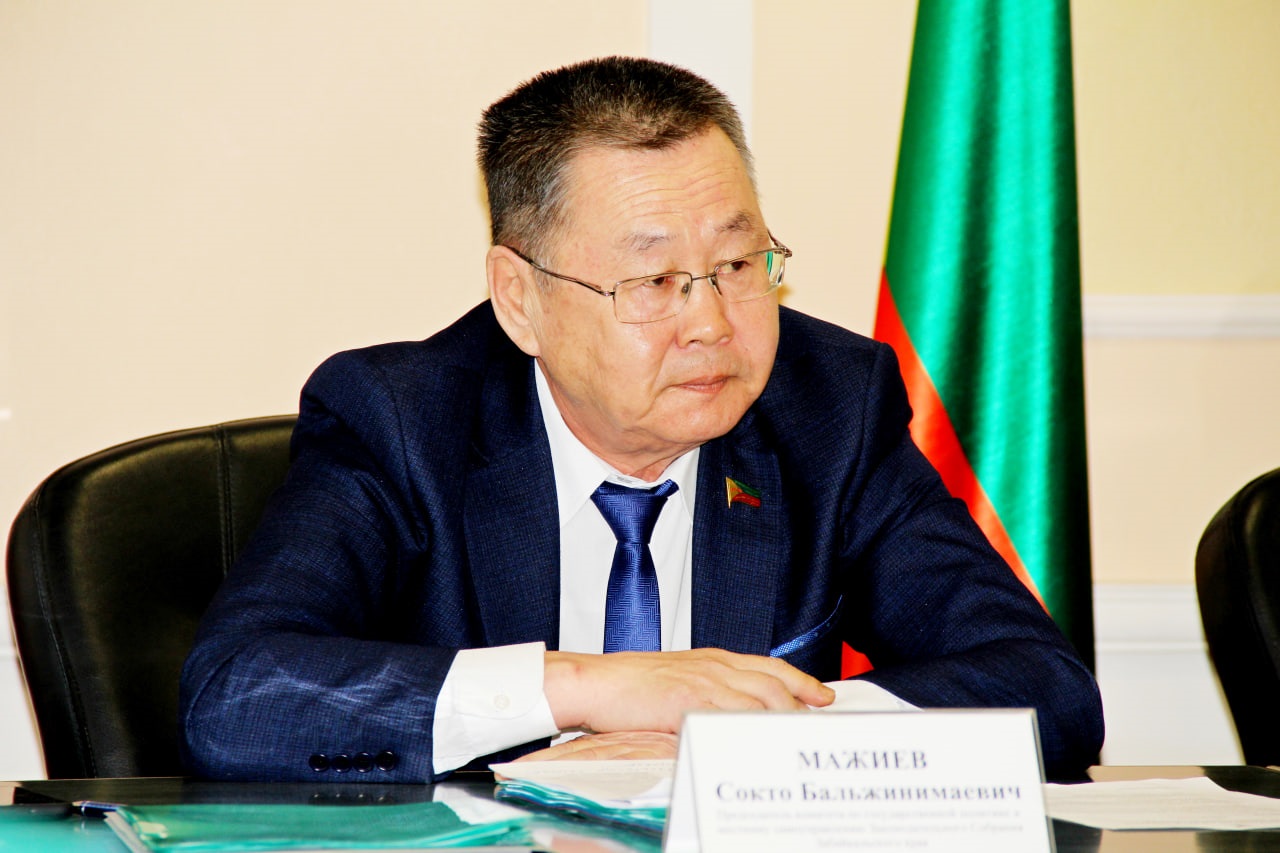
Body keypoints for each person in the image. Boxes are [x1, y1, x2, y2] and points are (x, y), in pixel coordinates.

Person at [179, 56, 1104, 783]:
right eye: (654, 281)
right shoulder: (403, 421)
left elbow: (1046, 687)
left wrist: (751, 732)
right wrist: (592, 687)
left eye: (738, 266)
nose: (711, 323)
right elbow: (235, 697)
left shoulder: (832, 408)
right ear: (520, 299)